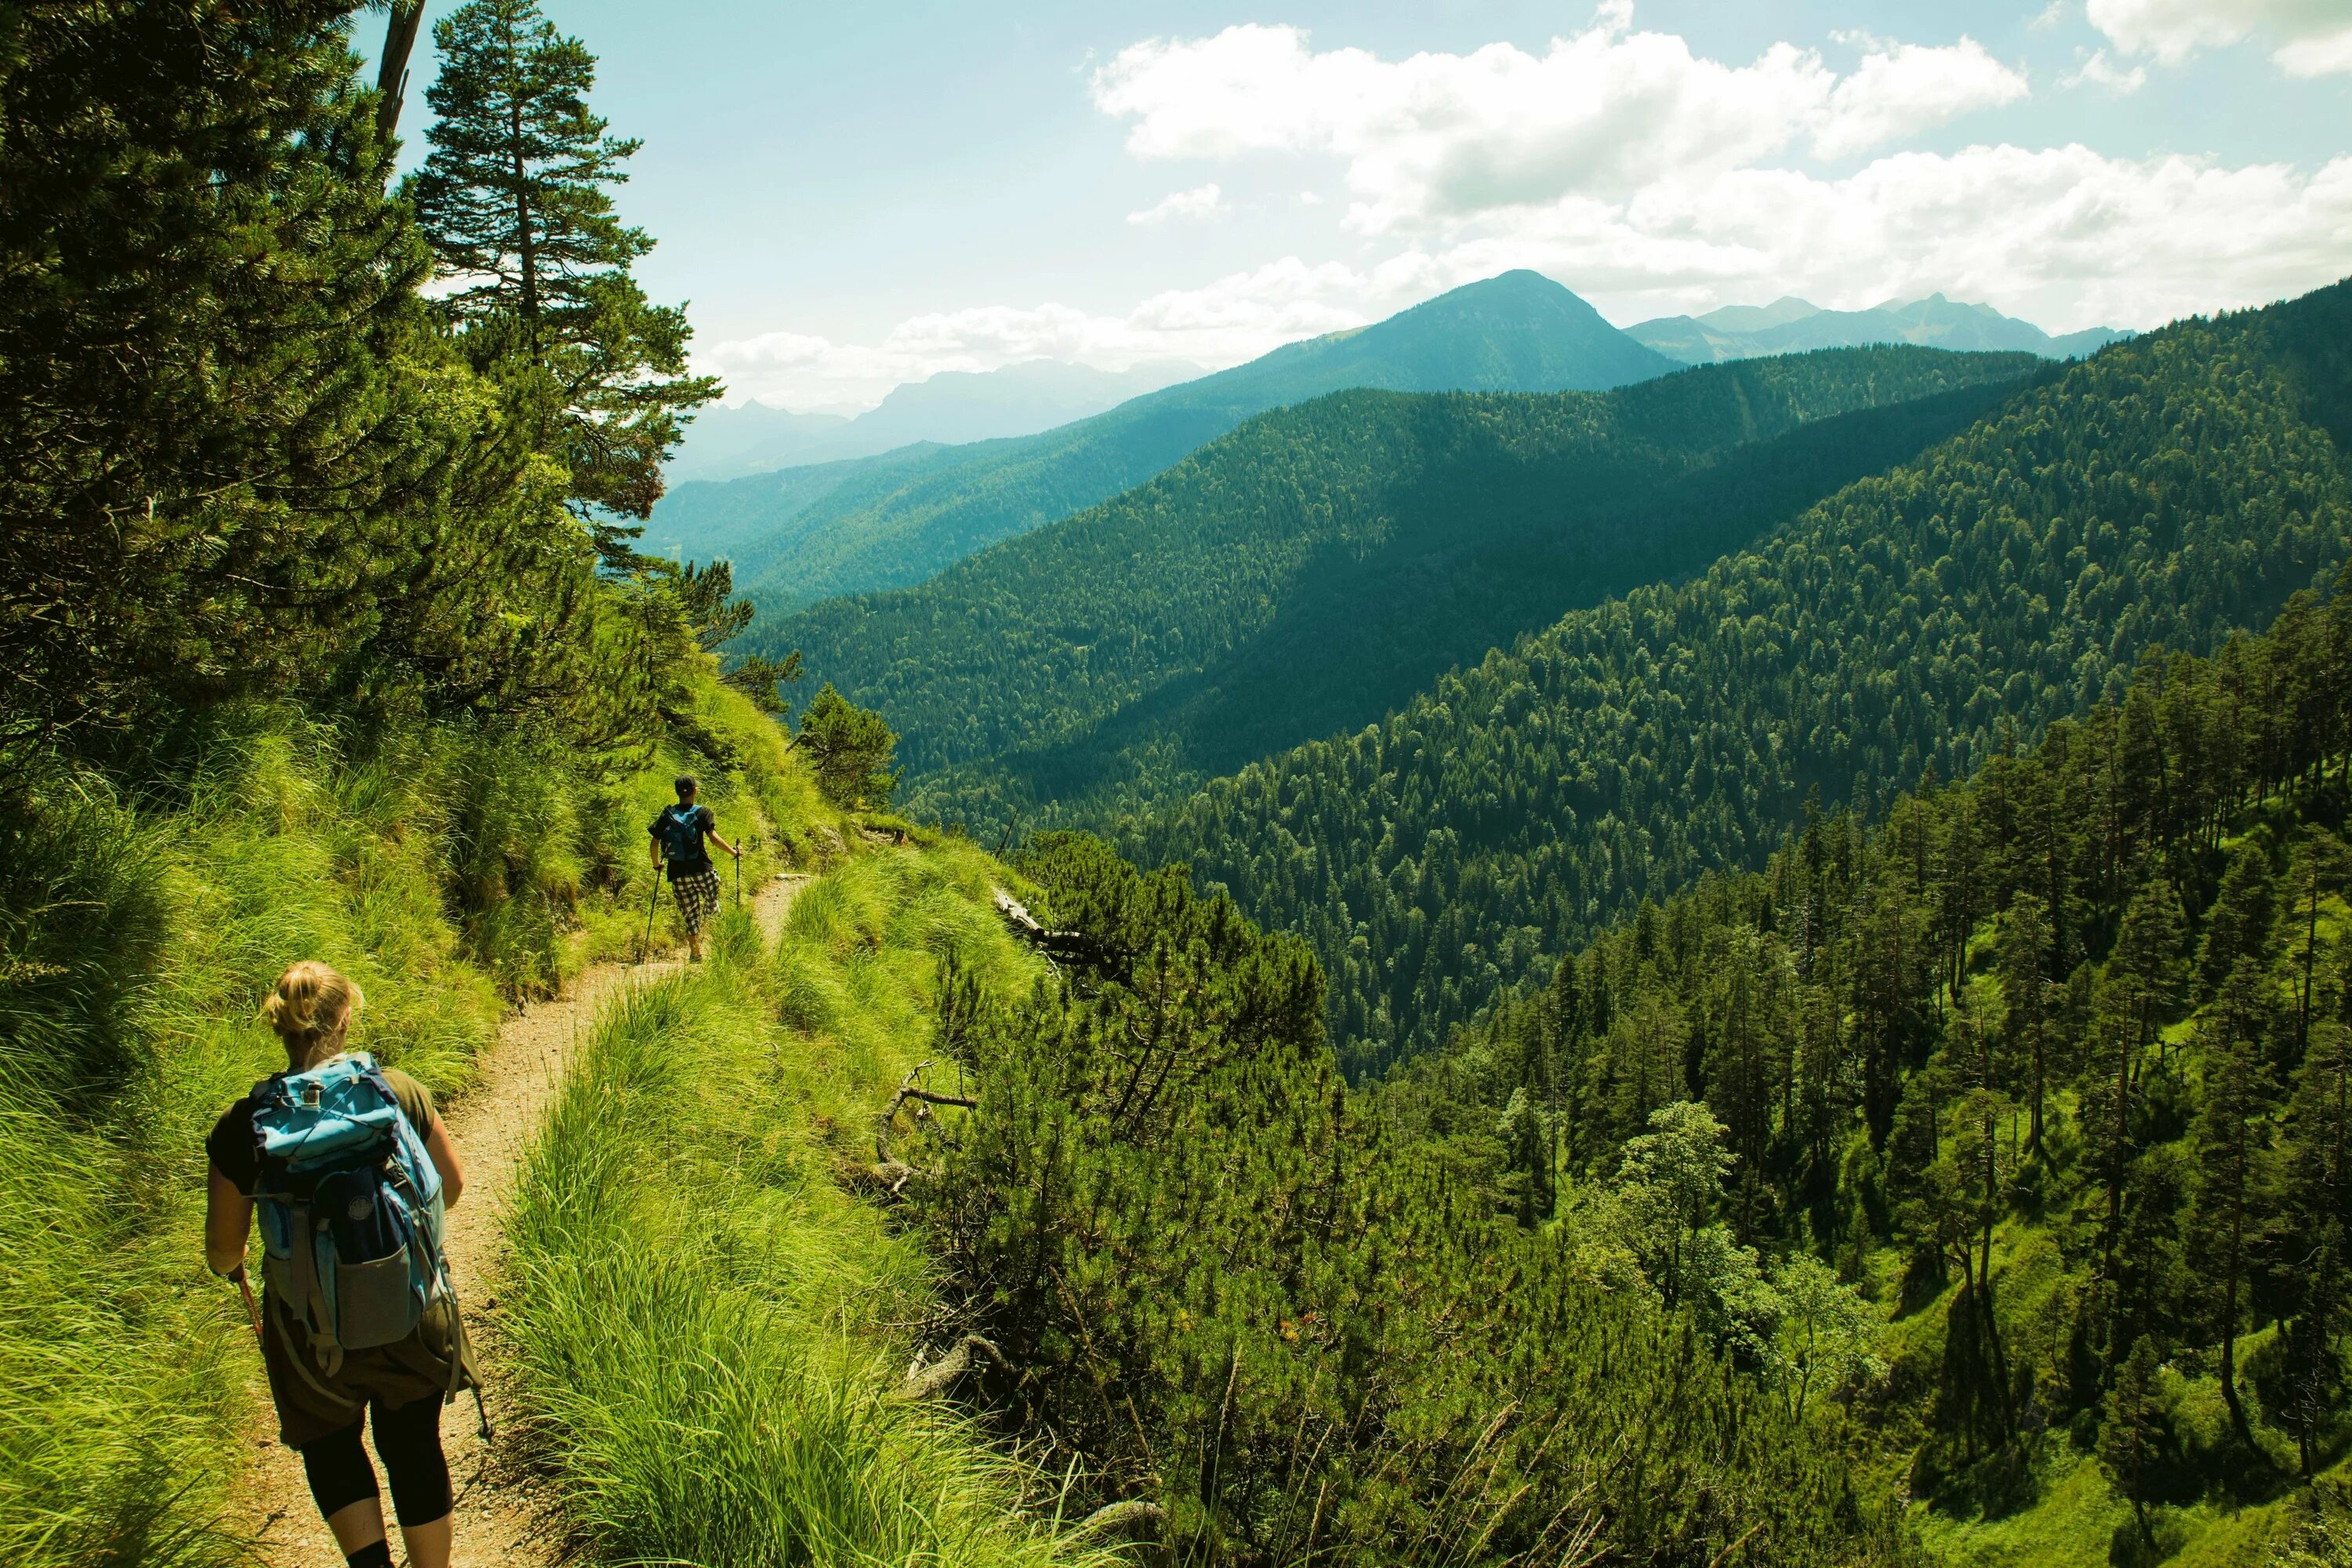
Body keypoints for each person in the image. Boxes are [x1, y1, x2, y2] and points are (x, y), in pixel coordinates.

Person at [205, 962, 471, 1568]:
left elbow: (224, 1250)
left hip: (309, 1332)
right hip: (408, 1309)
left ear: (280, 1026)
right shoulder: (397, 1091)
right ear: (345, 1017)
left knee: (330, 1446)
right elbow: (450, 1187)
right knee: (411, 1443)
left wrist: (241, 1265)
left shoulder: (244, 1125)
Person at [648, 774, 742, 962]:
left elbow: (654, 843)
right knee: (712, 899)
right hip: (702, 869)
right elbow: (714, 839)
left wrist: (657, 864)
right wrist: (734, 852)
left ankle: (695, 953)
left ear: (677, 792)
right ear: (695, 791)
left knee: (690, 914)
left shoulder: (668, 814)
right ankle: (716, 939)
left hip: (677, 874)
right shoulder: (702, 813)